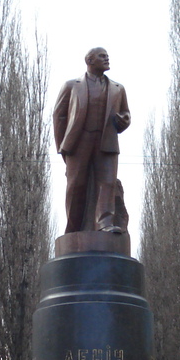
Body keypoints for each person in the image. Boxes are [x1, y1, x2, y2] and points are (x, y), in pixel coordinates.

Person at [52, 47, 131, 234]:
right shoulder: (71, 86)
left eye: (107, 56)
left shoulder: (118, 88)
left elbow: (126, 113)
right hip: (79, 141)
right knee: (76, 184)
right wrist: (63, 146)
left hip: (107, 141)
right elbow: (59, 116)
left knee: (108, 182)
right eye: (102, 56)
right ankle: (73, 227)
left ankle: (105, 223)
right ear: (89, 61)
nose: (106, 59)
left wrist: (124, 121)